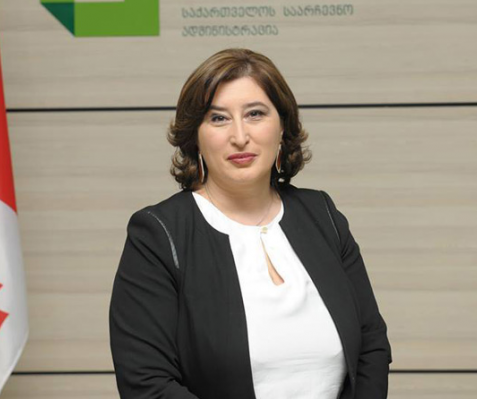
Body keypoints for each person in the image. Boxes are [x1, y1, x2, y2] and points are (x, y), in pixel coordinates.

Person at [109, 47, 392, 399]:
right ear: (195, 136)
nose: (240, 136)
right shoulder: (158, 234)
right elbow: (145, 383)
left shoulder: (322, 214)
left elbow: (371, 344)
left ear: (282, 126)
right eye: (218, 118)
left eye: (255, 114)